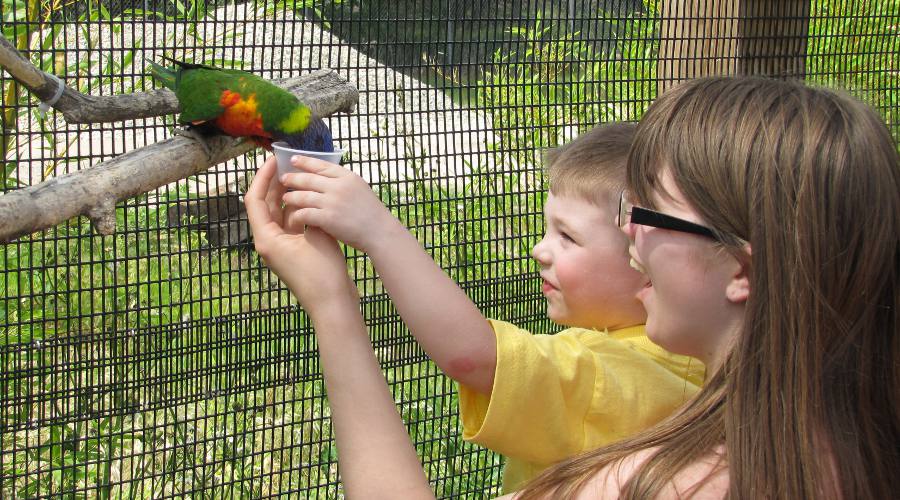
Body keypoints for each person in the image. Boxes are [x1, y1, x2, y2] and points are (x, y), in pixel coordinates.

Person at [246, 76, 898, 498]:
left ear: (744, 271)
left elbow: (474, 356)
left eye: (645, 216)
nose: (631, 240)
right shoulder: (857, 445)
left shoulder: (654, 475)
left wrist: (340, 293)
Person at [272, 122, 704, 492]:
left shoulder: (631, 375)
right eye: (548, 230)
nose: (540, 250)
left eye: (568, 238)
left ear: (645, 259)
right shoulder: (679, 356)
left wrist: (377, 231)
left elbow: (475, 356)